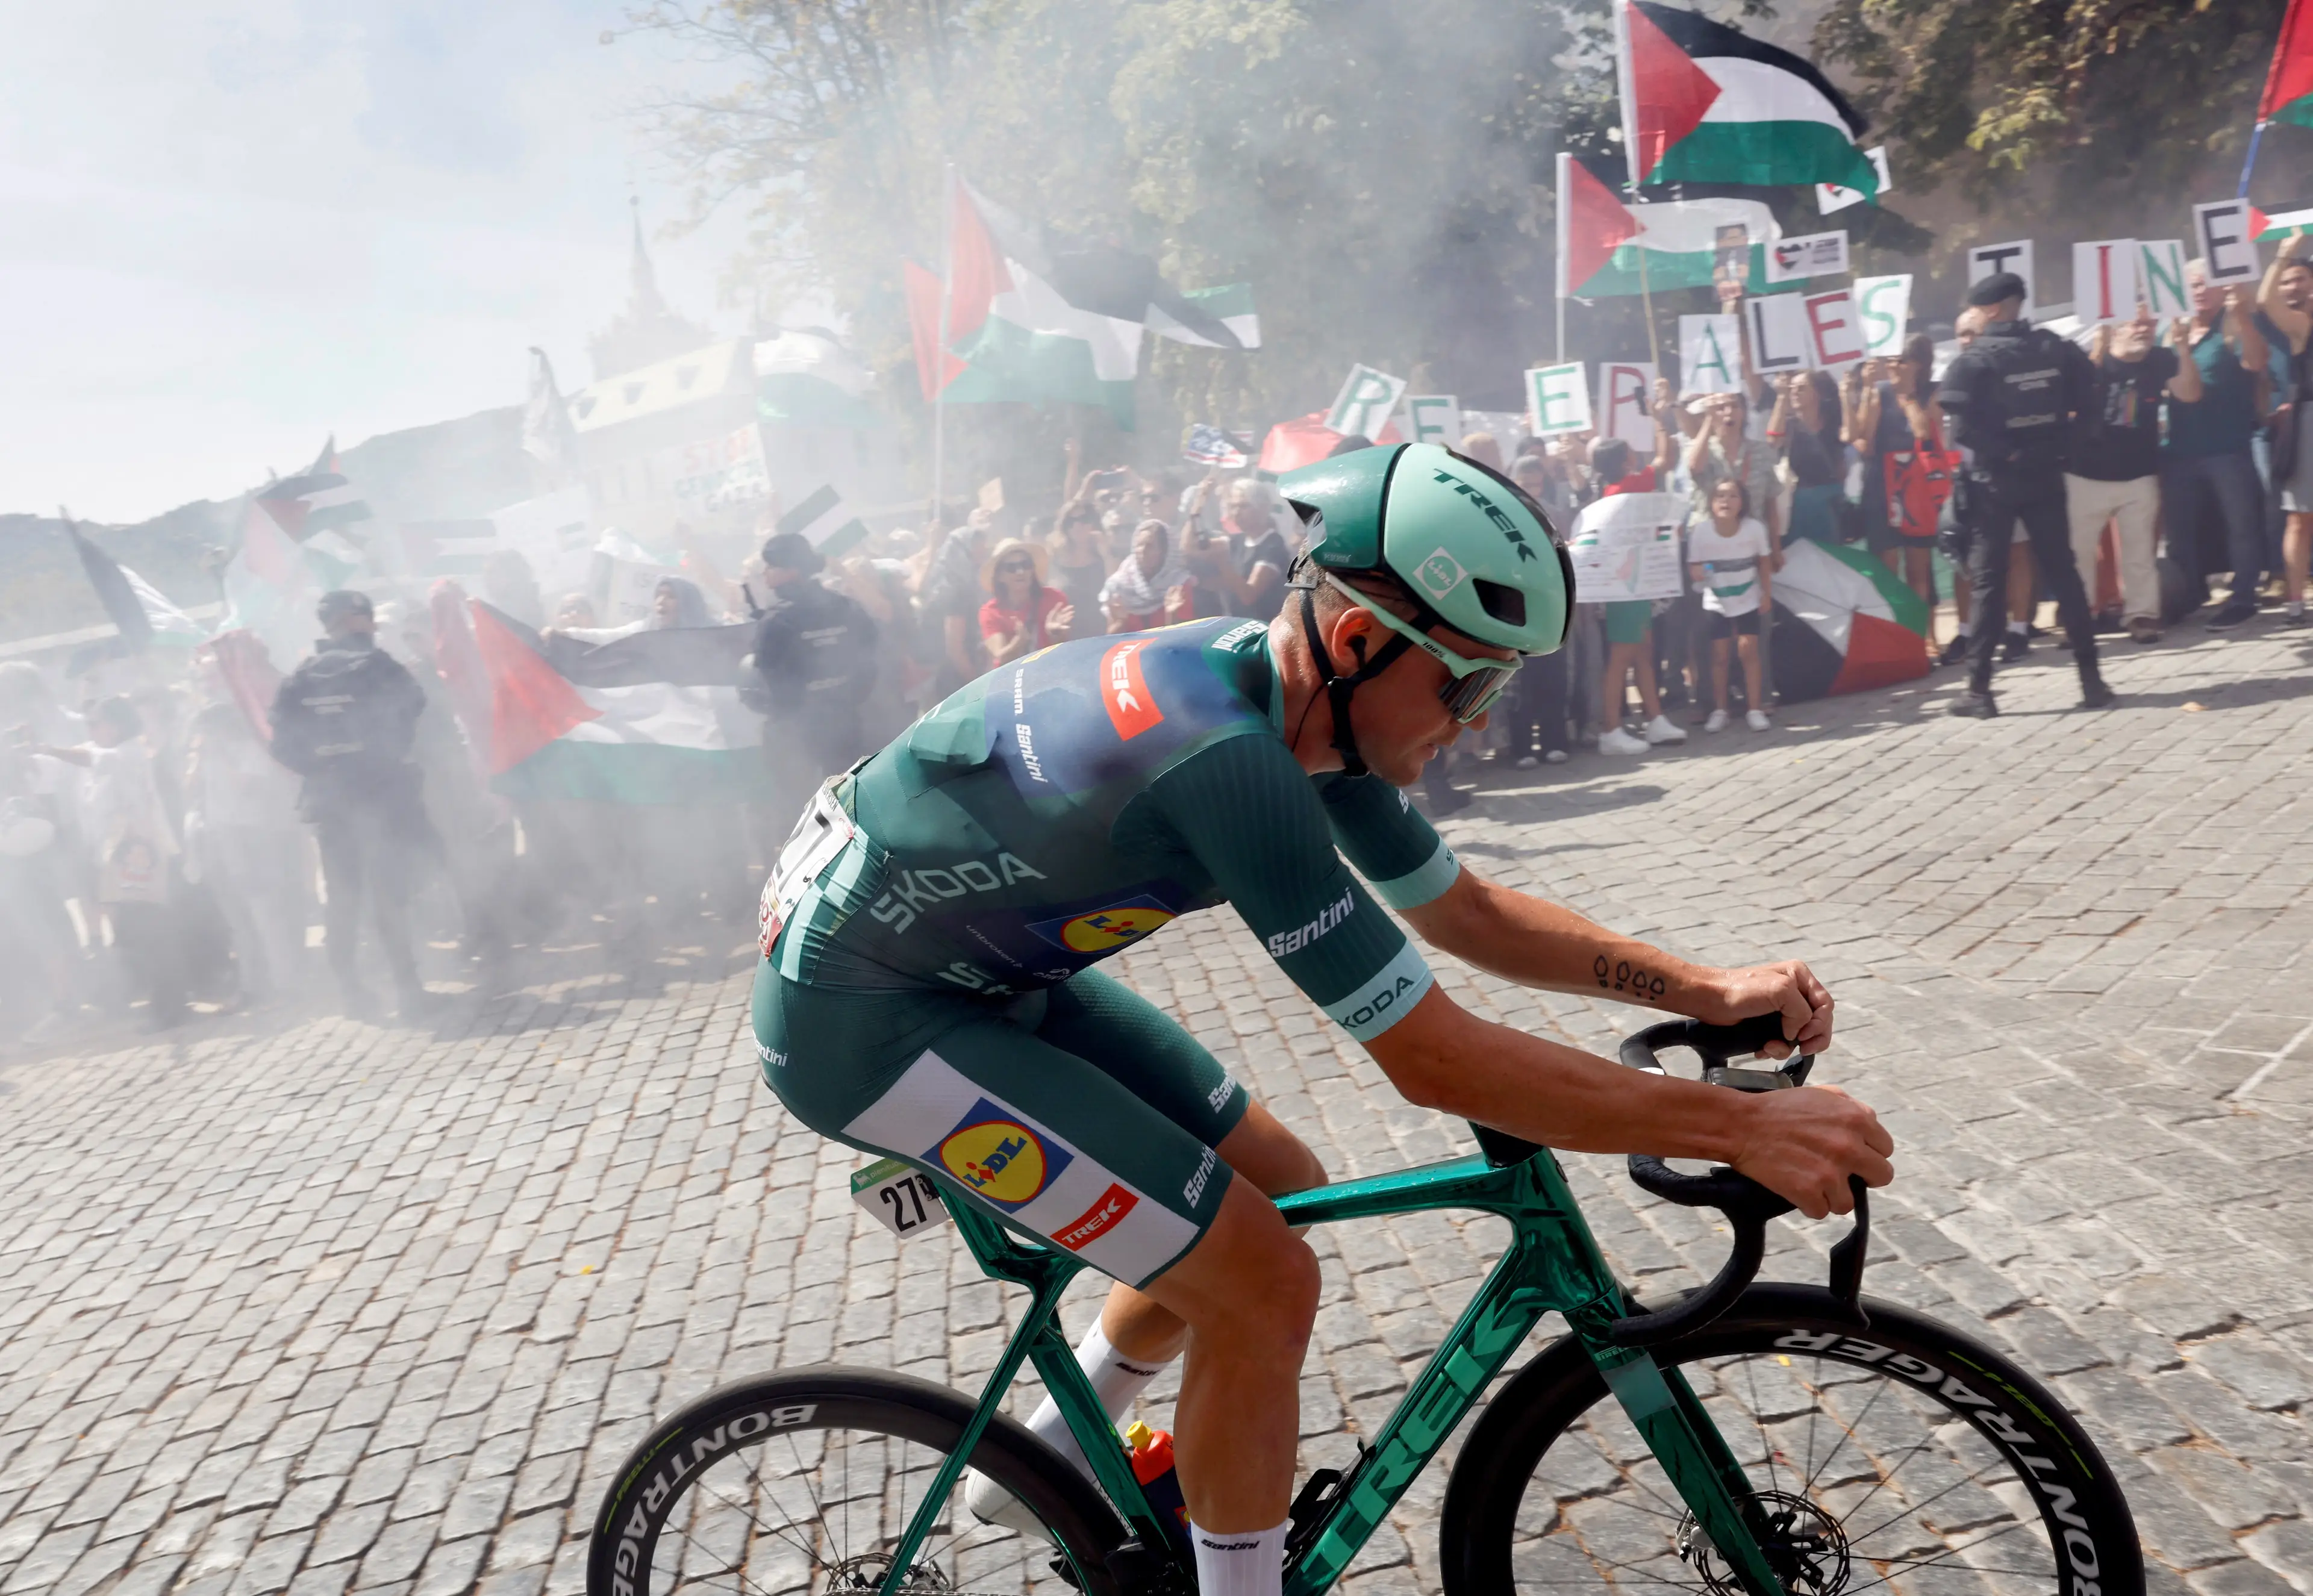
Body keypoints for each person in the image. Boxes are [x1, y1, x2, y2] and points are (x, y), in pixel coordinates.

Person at [749, 440, 1890, 1596]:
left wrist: (1704, 990)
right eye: (1471, 686)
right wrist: (1741, 1127)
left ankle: (1045, 1459)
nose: (1479, 724)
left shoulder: (1297, 706)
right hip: (864, 1024)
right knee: (1262, 1285)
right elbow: (1434, 1061)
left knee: (1278, 1177)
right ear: (1355, 642)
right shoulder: (1222, 757)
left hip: (972, 969)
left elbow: (1469, 916)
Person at [1937, 272, 2114, 717]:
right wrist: (2065, 448)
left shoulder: (1975, 360)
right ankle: (2092, 681)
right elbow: (2094, 401)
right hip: (2046, 475)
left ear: (1992, 309)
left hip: (1995, 482)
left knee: (1988, 582)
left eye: (1977, 309)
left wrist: (2008, 453)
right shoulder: (2056, 348)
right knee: (2065, 574)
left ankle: (1979, 691)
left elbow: (1962, 429)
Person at [267, 590, 439, 1019]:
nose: (374, 625)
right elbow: (416, 707)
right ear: (354, 619)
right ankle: (409, 992)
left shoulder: (301, 677)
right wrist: (379, 757)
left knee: (342, 898)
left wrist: (321, 768)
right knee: (388, 894)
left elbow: (281, 744)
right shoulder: (378, 666)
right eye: (368, 616)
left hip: (328, 802)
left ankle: (352, 995)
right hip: (379, 795)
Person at [32, 697, 186, 1030]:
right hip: (118, 859)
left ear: (116, 725)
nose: (90, 730)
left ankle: (169, 1008)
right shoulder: (106, 751)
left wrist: (50, 749)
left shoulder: (127, 753)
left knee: (149, 932)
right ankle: (159, 1002)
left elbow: (89, 757)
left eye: (95, 723)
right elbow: (80, 755)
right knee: (132, 933)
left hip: (139, 856)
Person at [2065, 307, 2202, 644]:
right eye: (2136, 323)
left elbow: (2190, 394)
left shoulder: (2161, 359)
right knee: (2078, 554)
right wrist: (2098, 354)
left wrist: (2183, 349)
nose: (2144, 329)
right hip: (2085, 475)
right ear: (2115, 327)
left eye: (2150, 323)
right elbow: (2068, 406)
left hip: (2139, 474)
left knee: (2140, 554)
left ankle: (2142, 616)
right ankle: (2079, 621)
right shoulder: (2090, 361)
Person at [2162, 260, 2273, 630]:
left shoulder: (2233, 324)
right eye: (2192, 285)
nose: (2199, 292)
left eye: (2205, 284)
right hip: (2178, 450)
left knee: (2240, 526)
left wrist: (2242, 317)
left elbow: (2257, 362)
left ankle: (2243, 597)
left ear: (2221, 286)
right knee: (2180, 532)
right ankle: (2188, 596)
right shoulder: (2170, 330)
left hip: (2227, 447)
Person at [748, 532, 879, 824]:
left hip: (796, 733)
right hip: (845, 722)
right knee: (851, 806)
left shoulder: (777, 620)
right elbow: (869, 660)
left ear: (791, 571)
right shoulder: (846, 607)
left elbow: (768, 679)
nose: (765, 573)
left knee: (798, 814)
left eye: (771, 566)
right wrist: (844, 698)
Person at [1590, 434, 1690, 756]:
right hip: (1626, 585)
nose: (1636, 454)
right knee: (1621, 657)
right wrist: (1659, 419)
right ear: (1625, 461)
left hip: (1636, 581)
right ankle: (1611, 731)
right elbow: (1666, 460)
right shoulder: (1627, 486)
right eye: (1631, 451)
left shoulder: (1615, 489)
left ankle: (1655, 718)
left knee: (1644, 651)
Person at [1846, 337, 1947, 609]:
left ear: (1918, 365)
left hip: (1917, 485)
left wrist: (1907, 395)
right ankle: (1896, 628)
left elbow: (1924, 432)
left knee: (1919, 569)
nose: (1892, 366)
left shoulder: (1933, 392)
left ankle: (1923, 630)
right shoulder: (1880, 392)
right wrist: (1867, 391)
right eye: (1890, 360)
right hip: (1882, 484)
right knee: (1886, 568)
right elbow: (1864, 440)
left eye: (1900, 361)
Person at [1688, 479, 1775, 732]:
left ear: (1743, 503)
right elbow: (1694, 566)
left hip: (1748, 598)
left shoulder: (1755, 529)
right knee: (1720, 656)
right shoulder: (1701, 531)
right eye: (1720, 496)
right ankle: (1720, 710)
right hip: (1716, 601)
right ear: (1711, 502)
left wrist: (1766, 594)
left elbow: (1764, 562)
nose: (1726, 501)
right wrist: (1700, 572)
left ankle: (1755, 709)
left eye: (1733, 495)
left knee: (1749, 651)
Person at [2261, 235, 2313, 625]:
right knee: (2300, 517)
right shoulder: (2302, 325)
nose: (2294, 287)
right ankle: (2296, 603)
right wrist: (2283, 255)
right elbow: (2265, 300)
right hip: (2309, 421)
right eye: (2289, 281)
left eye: (2301, 279)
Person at [1774, 370, 1849, 547]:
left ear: (1818, 393)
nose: (1794, 392)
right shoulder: (1789, 425)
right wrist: (1782, 397)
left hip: (1828, 504)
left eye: (1801, 388)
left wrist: (1845, 395)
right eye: (1792, 388)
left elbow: (1850, 435)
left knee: (1829, 554)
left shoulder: (1833, 424)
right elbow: (1773, 439)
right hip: (1796, 504)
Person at [978, 538, 1075, 666]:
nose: (1020, 572)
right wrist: (1019, 642)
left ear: (1032, 570)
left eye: (1026, 565)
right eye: (1011, 568)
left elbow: (1065, 651)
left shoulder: (1054, 598)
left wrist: (1056, 635)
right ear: (1000, 577)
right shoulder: (990, 612)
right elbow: (1001, 659)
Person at [1099, 519, 1197, 632]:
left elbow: (1187, 635)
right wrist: (1121, 622)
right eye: (1139, 545)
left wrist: (1172, 615)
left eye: (1150, 546)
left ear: (1164, 552)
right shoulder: (1119, 586)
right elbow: (1111, 637)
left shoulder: (1178, 584)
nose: (1143, 550)